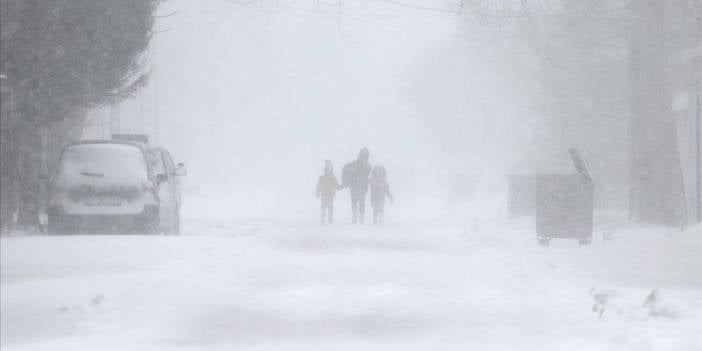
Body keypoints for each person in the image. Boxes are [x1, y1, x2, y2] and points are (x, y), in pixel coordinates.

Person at [341, 148, 371, 224]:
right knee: (359, 202)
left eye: (366, 156)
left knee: (357, 202)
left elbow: (365, 176)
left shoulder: (362, 165)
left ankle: (357, 217)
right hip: (358, 187)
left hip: (358, 187)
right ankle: (359, 217)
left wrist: (346, 183)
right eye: (365, 156)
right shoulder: (367, 165)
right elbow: (365, 176)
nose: (365, 158)